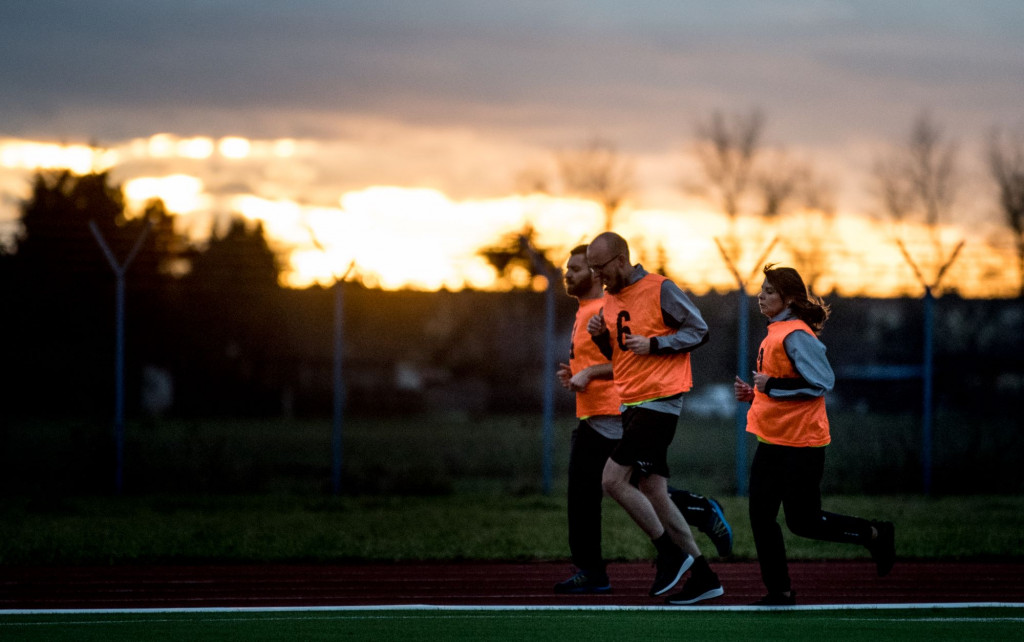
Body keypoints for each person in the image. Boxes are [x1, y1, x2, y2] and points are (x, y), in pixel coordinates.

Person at [554, 244, 733, 595]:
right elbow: (622, 358)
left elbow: (699, 331)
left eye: (598, 268)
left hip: (657, 403)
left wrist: (652, 346)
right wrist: (603, 338)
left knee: (613, 481)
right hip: (632, 404)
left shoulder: (658, 288)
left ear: (620, 259)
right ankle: (703, 575)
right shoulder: (611, 300)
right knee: (652, 491)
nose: (596, 276)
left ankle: (671, 554)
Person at [734, 264, 896, 607]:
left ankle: (875, 534)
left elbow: (822, 383)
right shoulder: (775, 332)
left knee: (803, 522)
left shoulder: (796, 334)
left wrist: (772, 385)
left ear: (789, 299)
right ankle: (780, 591)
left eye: (769, 291)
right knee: (761, 517)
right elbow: (784, 387)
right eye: (761, 290)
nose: (761, 296)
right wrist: (756, 393)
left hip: (802, 445)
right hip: (772, 442)